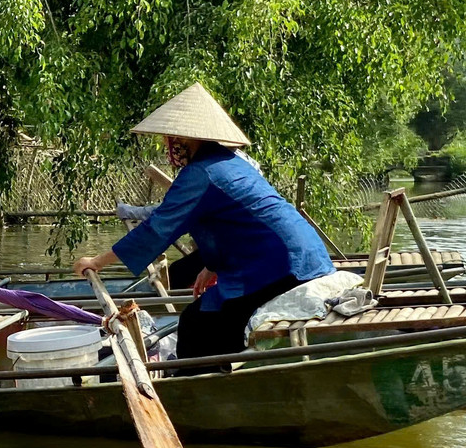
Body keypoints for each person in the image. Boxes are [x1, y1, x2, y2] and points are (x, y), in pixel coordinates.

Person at [72, 83, 335, 359]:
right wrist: (211, 265)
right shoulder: (231, 161)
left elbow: (157, 229)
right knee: (204, 314)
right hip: (304, 257)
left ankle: (199, 389)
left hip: (283, 268)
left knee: (197, 324)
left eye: (170, 138)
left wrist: (97, 262)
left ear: (187, 139)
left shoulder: (201, 174)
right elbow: (237, 222)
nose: (167, 145)